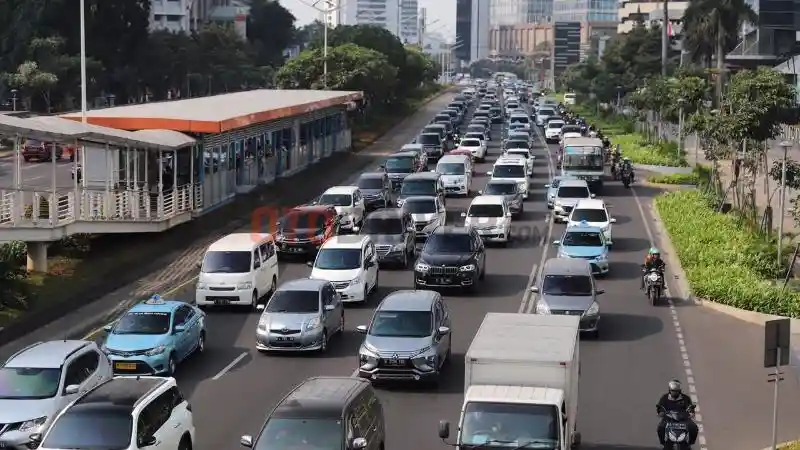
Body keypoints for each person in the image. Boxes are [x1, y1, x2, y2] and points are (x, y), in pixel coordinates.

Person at [656, 380, 698, 446]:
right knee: (660, 427)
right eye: (673, 391)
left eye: (676, 391)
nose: (674, 393)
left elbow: (690, 407)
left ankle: (690, 442)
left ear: (679, 391)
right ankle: (663, 442)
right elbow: (660, 407)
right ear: (669, 390)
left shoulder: (685, 398)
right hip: (668, 419)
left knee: (693, 427)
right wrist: (661, 412)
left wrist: (691, 412)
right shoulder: (664, 398)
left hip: (683, 419)